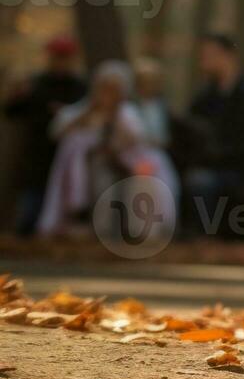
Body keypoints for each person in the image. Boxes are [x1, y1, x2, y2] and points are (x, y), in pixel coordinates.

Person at [36, 59, 179, 238]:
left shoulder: (127, 113)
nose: (108, 94)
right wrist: (89, 113)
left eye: (114, 89)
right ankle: (90, 226)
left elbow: (137, 139)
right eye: (104, 88)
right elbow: (57, 131)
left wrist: (115, 119)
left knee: (136, 184)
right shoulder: (83, 110)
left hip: (123, 164)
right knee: (101, 183)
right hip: (84, 167)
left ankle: (134, 232)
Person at [182, 33, 244, 239]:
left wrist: (219, 155)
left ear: (228, 56)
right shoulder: (204, 98)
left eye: (210, 55)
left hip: (241, 168)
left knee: (200, 182)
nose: (204, 62)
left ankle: (206, 237)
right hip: (207, 165)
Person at [2, 36, 87, 235]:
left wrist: (66, 114)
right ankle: (24, 233)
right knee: (33, 198)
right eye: (56, 56)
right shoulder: (35, 83)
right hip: (37, 151)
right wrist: (16, 96)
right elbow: (11, 111)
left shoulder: (79, 86)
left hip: (68, 153)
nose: (59, 61)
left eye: (64, 57)